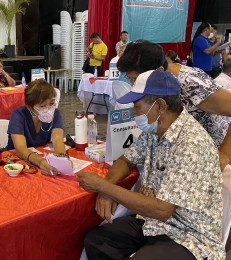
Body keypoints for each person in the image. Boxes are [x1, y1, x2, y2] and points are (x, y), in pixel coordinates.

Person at [77, 69, 224, 259]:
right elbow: (126, 160)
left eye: (137, 106)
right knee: (98, 240)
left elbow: (163, 210)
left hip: (187, 235)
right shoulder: (155, 131)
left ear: (160, 106)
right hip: (151, 222)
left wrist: (102, 185)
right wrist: (106, 189)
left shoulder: (191, 144)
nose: (133, 113)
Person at [117, 40, 231, 170]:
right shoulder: (155, 85)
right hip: (180, 152)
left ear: (159, 71)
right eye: (130, 79)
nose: (134, 85)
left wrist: (224, 153)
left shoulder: (190, 82)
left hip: (206, 155)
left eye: (135, 79)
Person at [5, 80, 68, 176]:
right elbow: (20, 148)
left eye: (51, 103)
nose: (48, 109)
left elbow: (58, 139)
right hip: (15, 162)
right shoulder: (18, 115)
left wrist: (61, 160)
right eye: (42, 106)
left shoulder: (55, 113)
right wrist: (40, 162)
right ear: (30, 107)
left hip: (39, 156)